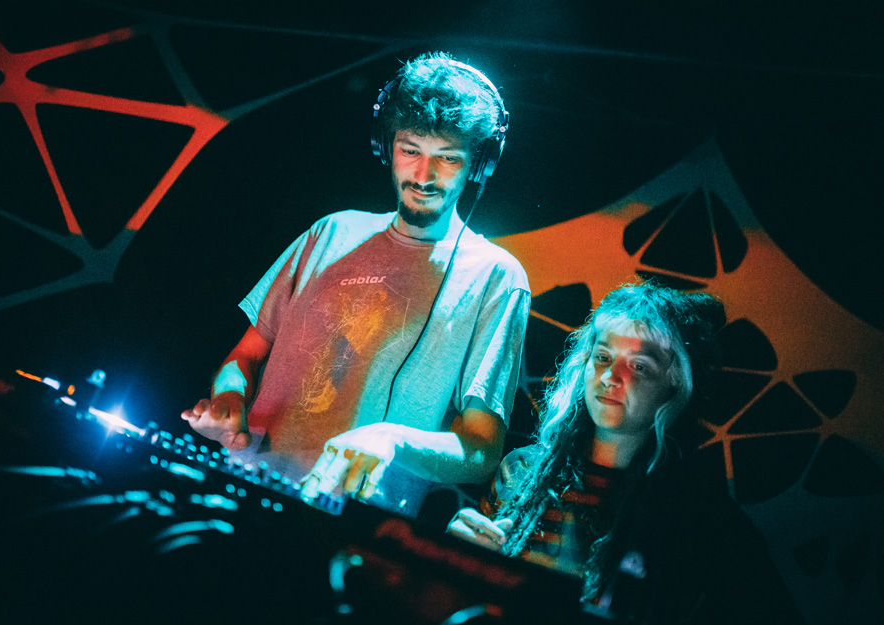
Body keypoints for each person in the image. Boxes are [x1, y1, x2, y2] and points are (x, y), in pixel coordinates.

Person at [181, 51, 530, 518]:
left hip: (354, 527)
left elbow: (481, 450)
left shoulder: (496, 278)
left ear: (478, 166)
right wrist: (228, 399)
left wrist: (391, 439)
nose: (424, 176)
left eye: (447, 158)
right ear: (386, 147)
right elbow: (245, 355)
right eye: (410, 151)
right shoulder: (331, 232)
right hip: (238, 492)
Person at [447, 282, 804, 624]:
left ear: (676, 384)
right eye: (603, 357)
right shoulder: (520, 471)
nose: (610, 377)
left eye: (638, 365)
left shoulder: (701, 515)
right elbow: (470, 598)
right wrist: (456, 558)